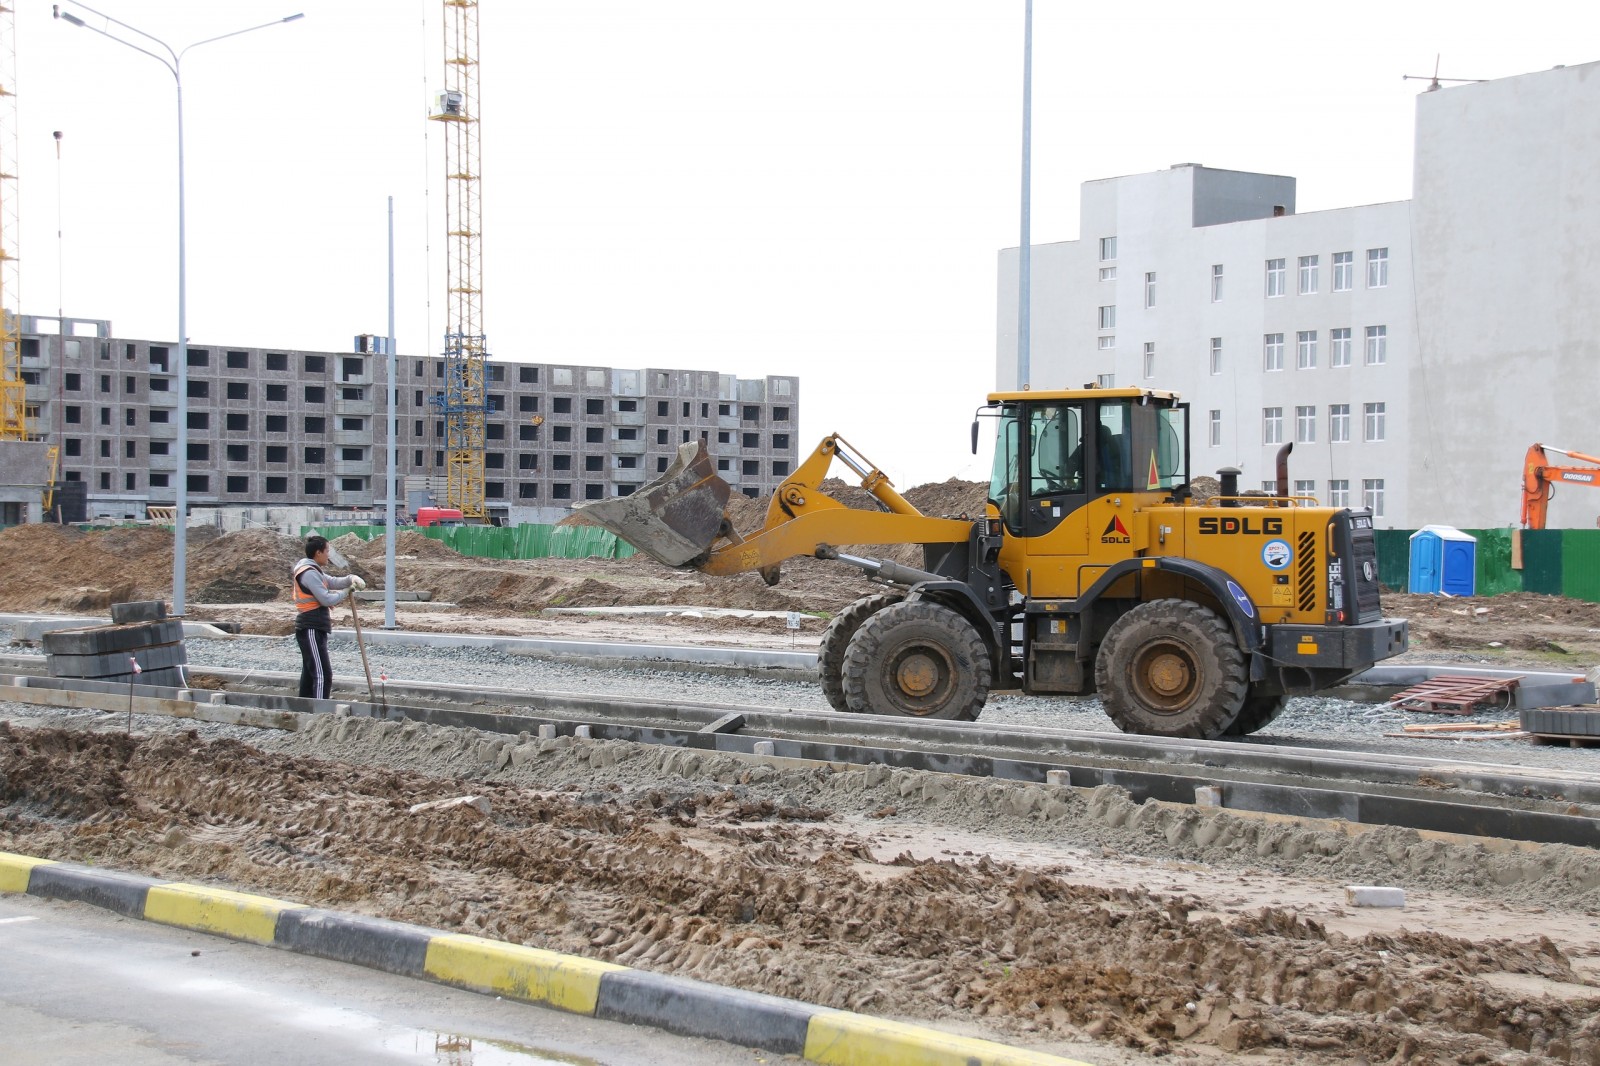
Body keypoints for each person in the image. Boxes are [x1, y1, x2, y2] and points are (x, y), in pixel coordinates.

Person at [292, 535, 366, 700]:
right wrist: (347, 592)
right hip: (310, 626)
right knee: (322, 675)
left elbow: (332, 581)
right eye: (327, 551)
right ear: (318, 553)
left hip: (316, 625)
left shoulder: (314, 570)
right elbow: (326, 598)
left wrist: (350, 579)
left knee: (310, 673)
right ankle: (319, 713)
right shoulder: (308, 573)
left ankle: (304, 708)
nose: (328, 555)